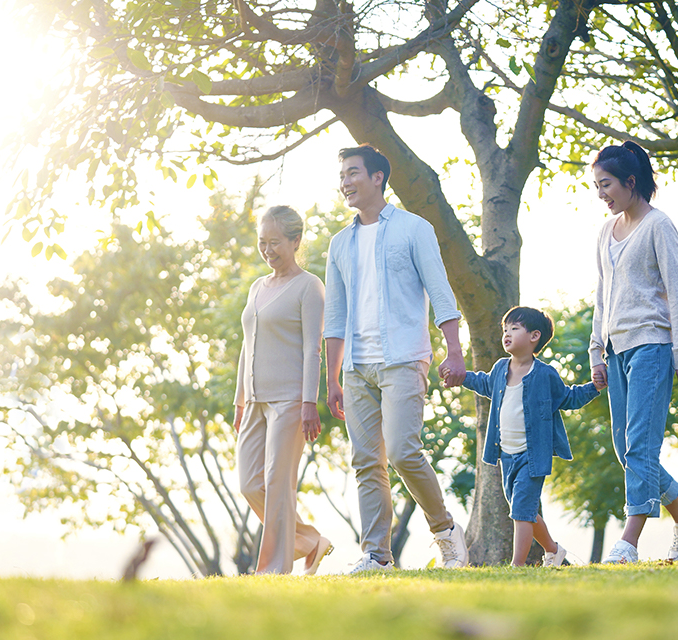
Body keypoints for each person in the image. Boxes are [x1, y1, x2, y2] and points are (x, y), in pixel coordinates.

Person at [323, 144, 469, 573]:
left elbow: (440, 291)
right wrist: (332, 378)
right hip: (356, 368)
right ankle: (378, 555)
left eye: (353, 173)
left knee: (404, 452)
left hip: (403, 357)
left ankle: (445, 531)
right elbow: (335, 315)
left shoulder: (413, 228)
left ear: (377, 178)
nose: (346, 182)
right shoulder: (339, 243)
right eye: (342, 175)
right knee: (367, 462)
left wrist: (454, 349)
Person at [588, 141, 678, 564]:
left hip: (653, 346)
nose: (601, 193)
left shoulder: (659, 226)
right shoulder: (606, 231)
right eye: (597, 186)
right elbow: (603, 294)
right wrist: (595, 351)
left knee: (640, 446)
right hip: (617, 348)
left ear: (630, 182)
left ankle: (629, 542)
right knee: (626, 449)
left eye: (606, 185)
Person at [445, 306, 601, 567]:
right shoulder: (499, 369)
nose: (506, 334)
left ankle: (516, 567)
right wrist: (461, 377)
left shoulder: (544, 374)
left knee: (521, 511)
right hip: (506, 455)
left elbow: (569, 398)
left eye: (514, 329)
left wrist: (594, 387)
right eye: (505, 329)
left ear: (534, 336)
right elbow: (483, 383)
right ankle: (554, 551)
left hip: (533, 456)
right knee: (525, 511)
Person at [233, 205, 332, 575]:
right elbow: (247, 345)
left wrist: (310, 402)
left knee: (278, 483)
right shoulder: (257, 287)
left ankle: (273, 569)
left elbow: (312, 348)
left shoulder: (309, 287)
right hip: (255, 401)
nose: (268, 250)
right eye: (262, 242)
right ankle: (309, 541)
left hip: (291, 400)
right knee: (248, 483)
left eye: (275, 242)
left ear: (295, 240)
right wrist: (240, 400)